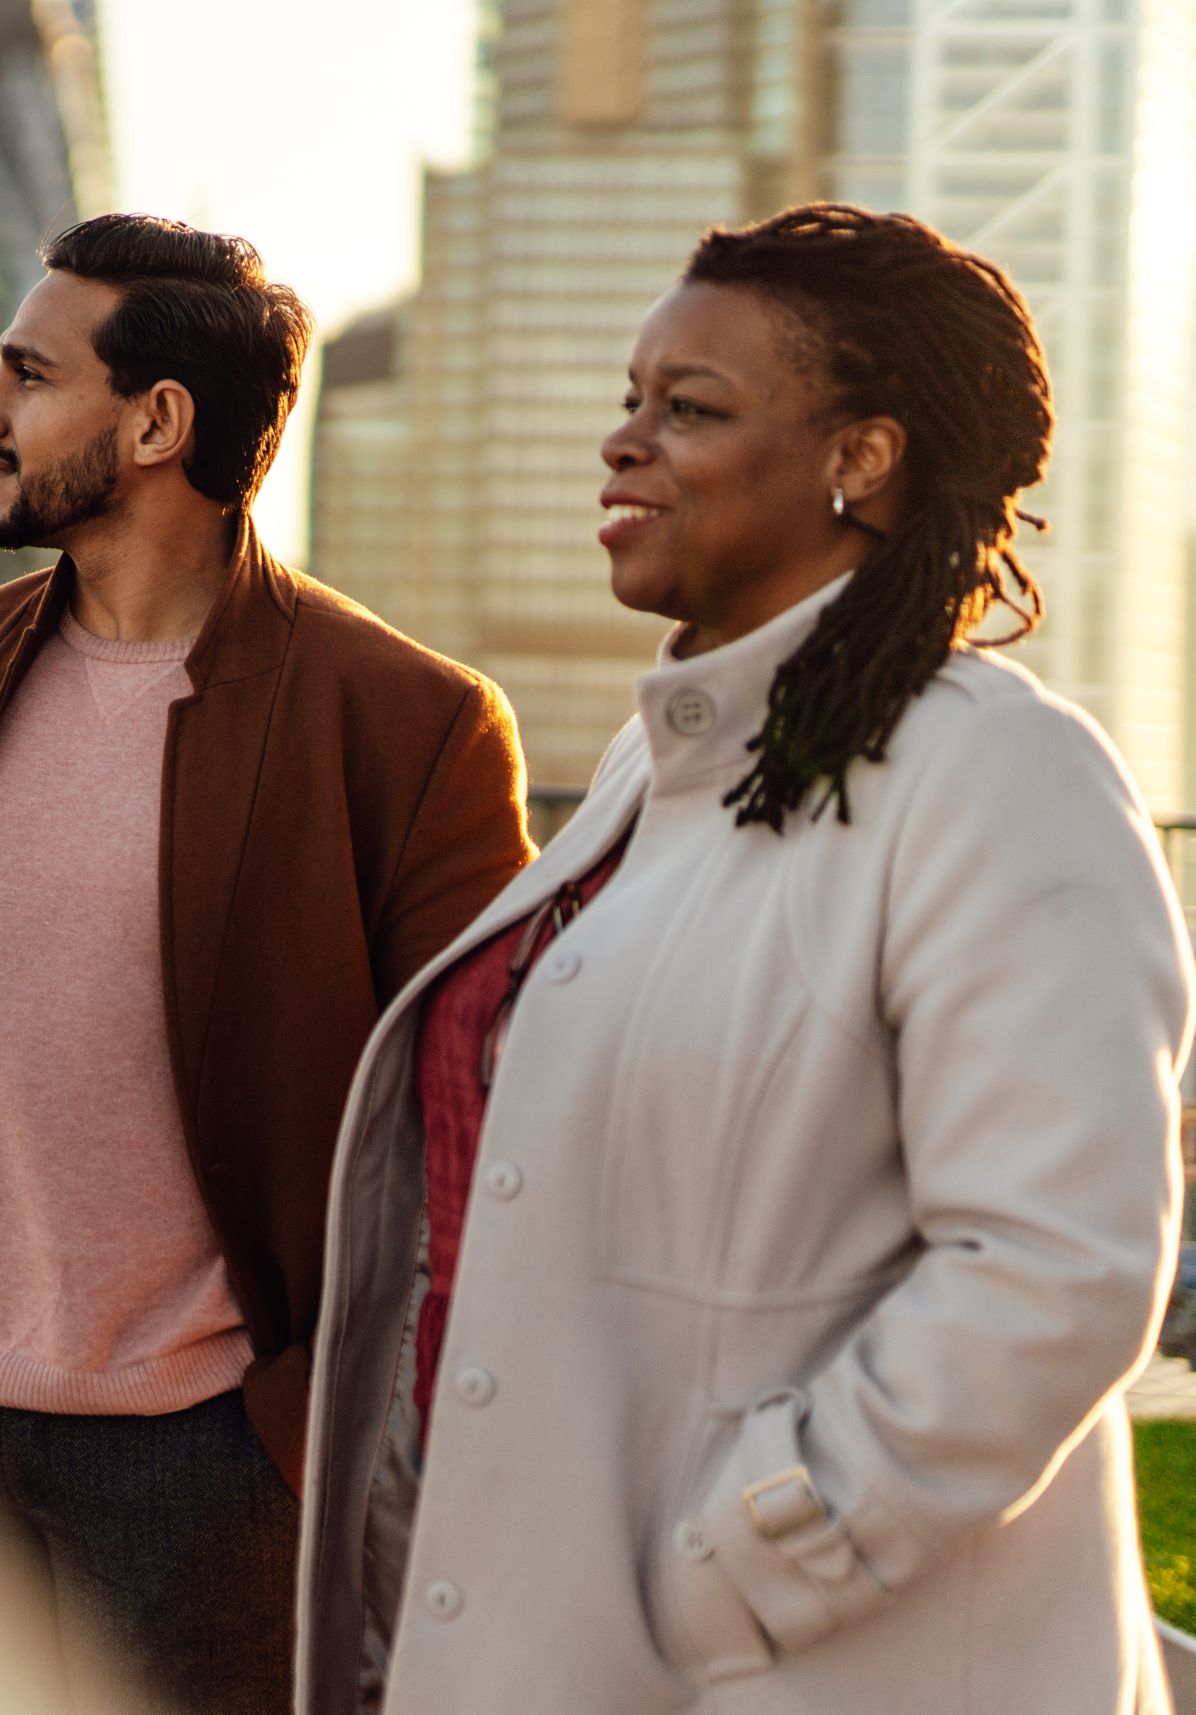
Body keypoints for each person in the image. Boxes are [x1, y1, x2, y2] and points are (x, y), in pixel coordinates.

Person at [293, 204, 1196, 1714]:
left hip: (800, 1668)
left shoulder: (1000, 776)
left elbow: (1058, 1269)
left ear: (865, 457)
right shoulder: (671, 769)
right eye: (629, 401)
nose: (623, 445)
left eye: (690, 409)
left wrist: (746, 1561)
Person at [0, 213, 533, 1713]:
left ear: (158, 423)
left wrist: (317, 1423)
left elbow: (481, 1124)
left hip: (208, 1465)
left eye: (27, 376)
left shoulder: (407, 722)